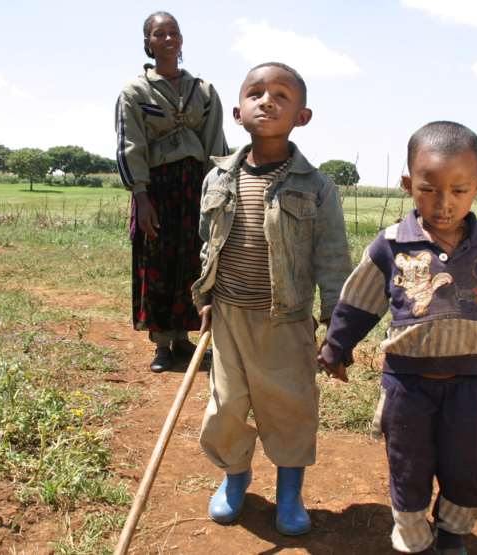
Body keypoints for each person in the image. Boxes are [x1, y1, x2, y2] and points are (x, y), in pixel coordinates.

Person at [318, 121, 477, 555]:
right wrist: (337, 346)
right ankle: (414, 540)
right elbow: (359, 302)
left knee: (469, 465)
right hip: (406, 386)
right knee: (409, 467)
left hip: (470, 384)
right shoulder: (392, 245)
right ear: (408, 184)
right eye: (429, 189)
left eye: (459, 190)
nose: (445, 203)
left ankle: (452, 533)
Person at [191, 62, 352, 535]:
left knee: (289, 407)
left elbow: (333, 261)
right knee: (225, 407)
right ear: (238, 112)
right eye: (256, 93)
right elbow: (208, 243)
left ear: (302, 116)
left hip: (287, 320)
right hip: (229, 317)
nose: (268, 101)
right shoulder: (217, 178)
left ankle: (289, 495)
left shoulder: (317, 187)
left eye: (282, 95)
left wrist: (337, 333)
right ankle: (235, 479)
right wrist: (205, 298)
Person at [115, 11, 228, 371]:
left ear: (181, 40)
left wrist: (219, 194)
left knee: (195, 260)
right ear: (147, 43)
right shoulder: (135, 92)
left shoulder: (204, 91)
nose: (167, 39)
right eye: (159, 34)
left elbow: (216, 145)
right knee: (157, 260)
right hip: (158, 189)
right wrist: (141, 196)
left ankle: (184, 340)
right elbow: (130, 145)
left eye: (173, 33)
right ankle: (162, 342)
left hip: (196, 186)